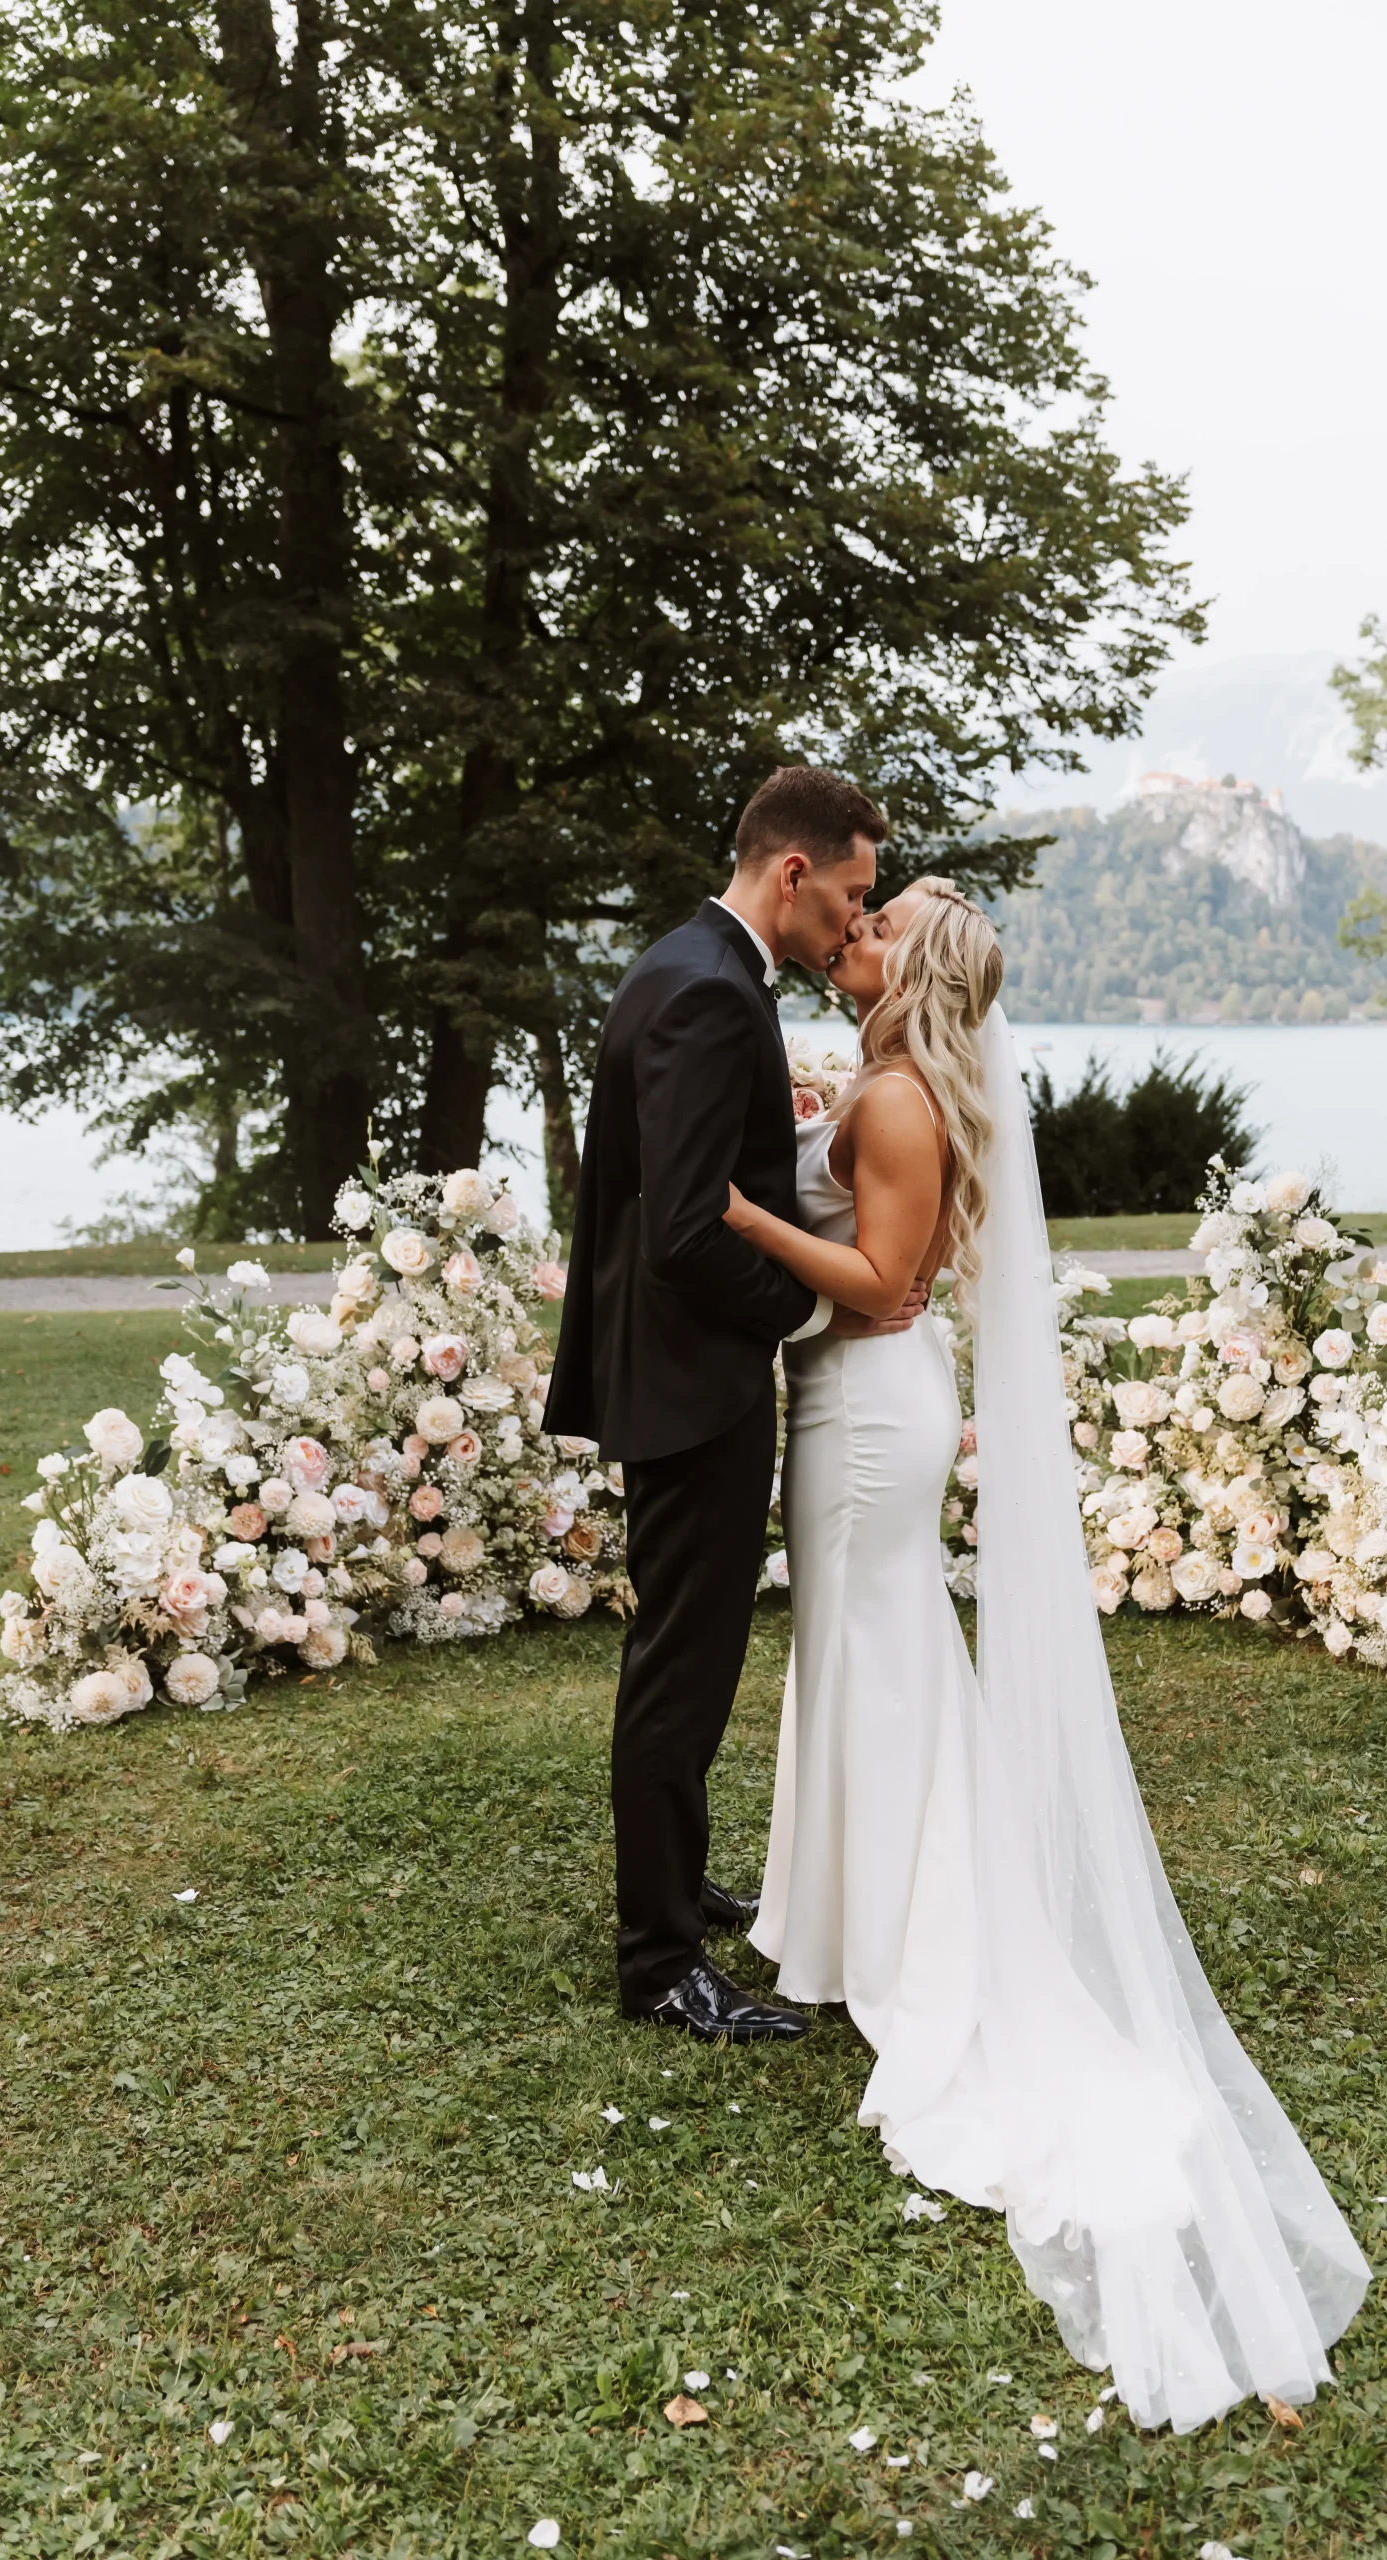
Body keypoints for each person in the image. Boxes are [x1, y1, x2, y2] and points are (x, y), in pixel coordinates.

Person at [725, 880, 1371, 2429]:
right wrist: (819, 1125)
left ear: (912, 976)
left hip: (865, 1418)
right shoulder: (895, 1088)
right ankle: (837, 1919)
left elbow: (878, 1283)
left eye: (879, 930)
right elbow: (885, 1204)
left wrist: (745, 1211)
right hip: (869, 1408)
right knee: (868, 1664)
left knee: (877, 1664)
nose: (852, 937)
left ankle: (899, 1936)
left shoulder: (896, 1096)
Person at [543, 765, 924, 2043]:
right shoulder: (714, 994)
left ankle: (676, 1885)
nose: (853, 928)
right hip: (694, 1382)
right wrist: (823, 1312)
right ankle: (658, 1963)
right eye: (852, 898)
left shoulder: (684, 965)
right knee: (683, 1669)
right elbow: (690, 1228)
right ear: (795, 871)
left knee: (687, 1655)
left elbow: (689, 1170)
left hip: (670, 1370)